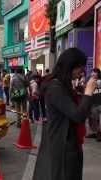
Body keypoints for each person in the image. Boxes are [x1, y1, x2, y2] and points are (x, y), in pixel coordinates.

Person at [33, 48, 98, 180]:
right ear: (70, 66)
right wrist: (88, 92)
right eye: (80, 67)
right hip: (62, 146)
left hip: (70, 143)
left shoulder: (65, 85)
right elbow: (78, 115)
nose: (81, 72)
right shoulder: (55, 88)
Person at [86, 68, 101, 141]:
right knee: (93, 119)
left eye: (94, 72)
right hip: (93, 103)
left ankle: (98, 133)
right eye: (92, 72)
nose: (92, 74)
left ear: (98, 73)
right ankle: (96, 133)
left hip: (99, 103)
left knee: (98, 119)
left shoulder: (98, 81)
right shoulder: (90, 80)